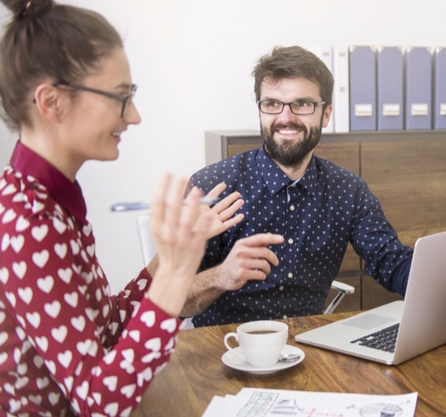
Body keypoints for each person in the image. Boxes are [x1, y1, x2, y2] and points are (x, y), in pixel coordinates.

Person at [0, 1, 239, 415]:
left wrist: (165, 260)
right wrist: (179, 272)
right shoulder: (28, 223)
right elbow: (99, 401)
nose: (135, 116)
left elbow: (106, 328)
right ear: (51, 101)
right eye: (120, 97)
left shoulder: (49, 202)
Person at [184, 46, 414, 327]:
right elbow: (173, 301)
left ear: (325, 114)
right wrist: (221, 275)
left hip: (309, 349)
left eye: (302, 104)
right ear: (260, 111)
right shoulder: (212, 187)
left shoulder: (348, 191)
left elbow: (391, 262)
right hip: (224, 349)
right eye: (272, 104)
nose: (286, 117)